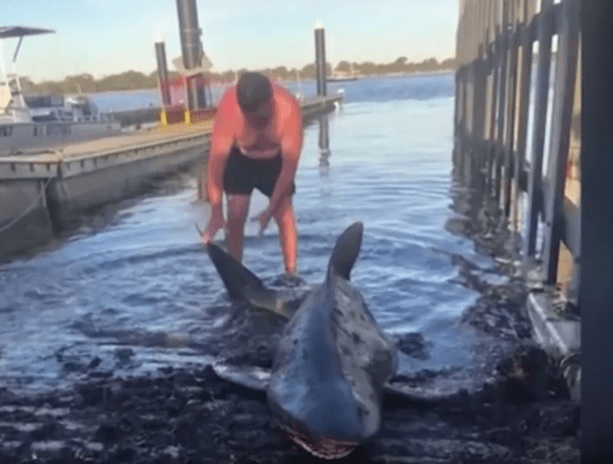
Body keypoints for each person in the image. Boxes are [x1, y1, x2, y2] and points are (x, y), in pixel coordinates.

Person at [200, 71, 304, 276]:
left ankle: (291, 273)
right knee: (235, 213)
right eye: (250, 118)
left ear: (270, 101)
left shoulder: (289, 109)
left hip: (275, 162)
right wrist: (215, 211)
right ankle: (235, 272)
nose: (256, 123)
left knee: (283, 212)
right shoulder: (229, 108)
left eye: (261, 118)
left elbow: (288, 171)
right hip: (241, 158)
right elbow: (215, 165)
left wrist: (270, 208)